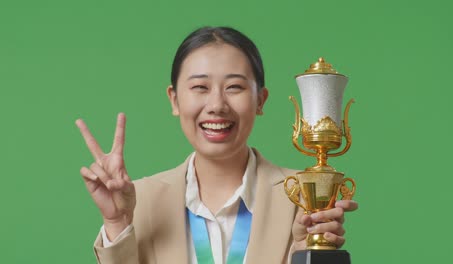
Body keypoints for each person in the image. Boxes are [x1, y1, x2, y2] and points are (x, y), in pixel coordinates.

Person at [76, 26, 358, 264]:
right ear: (174, 99)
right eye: (200, 87)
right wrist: (116, 223)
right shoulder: (139, 200)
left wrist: (303, 251)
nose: (217, 106)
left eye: (234, 87)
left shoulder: (304, 198)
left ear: (260, 100)